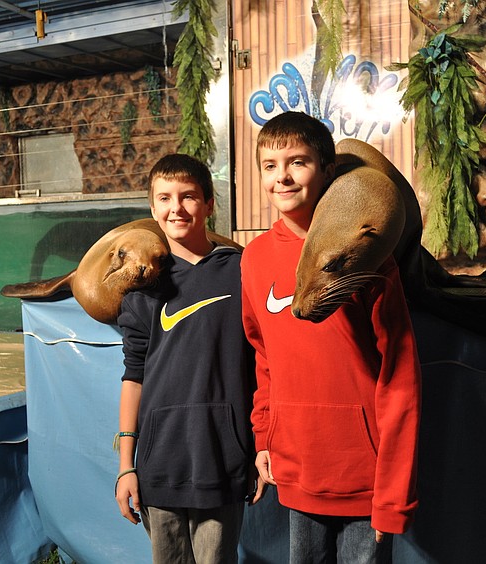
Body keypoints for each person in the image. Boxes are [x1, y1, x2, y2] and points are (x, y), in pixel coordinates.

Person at [241, 111, 421, 562]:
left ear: (328, 170)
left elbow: (401, 381)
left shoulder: (369, 260)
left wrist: (393, 497)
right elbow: (264, 357)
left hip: (365, 479)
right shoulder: (256, 258)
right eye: (269, 165)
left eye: (297, 163)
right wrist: (265, 438)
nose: (282, 177)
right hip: (297, 470)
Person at [115, 153, 257, 563]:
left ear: (210, 203)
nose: (176, 207)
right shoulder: (142, 285)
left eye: (188, 196)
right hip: (160, 464)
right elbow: (133, 374)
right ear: (152, 208)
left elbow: (262, 364)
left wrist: (257, 446)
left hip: (224, 458)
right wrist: (127, 464)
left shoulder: (242, 271)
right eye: (164, 197)